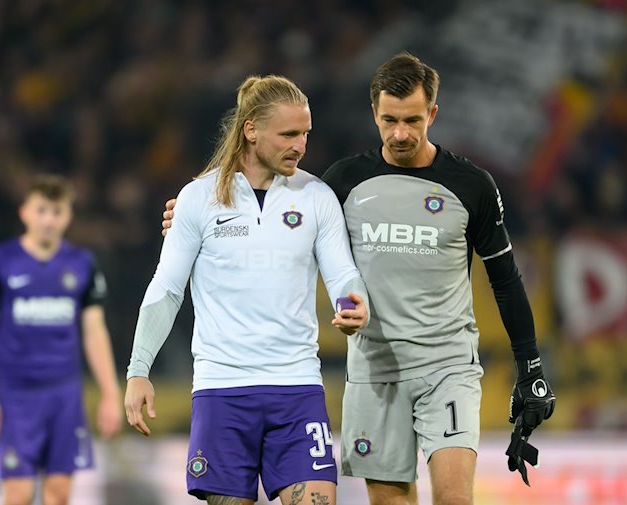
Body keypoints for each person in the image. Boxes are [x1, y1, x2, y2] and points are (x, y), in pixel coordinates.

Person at [163, 53, 556, 505]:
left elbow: (505, 280)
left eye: (413, 120)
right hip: (373, 369)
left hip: (447, 366)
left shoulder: (472, 186)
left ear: (433, 114)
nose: (401, 133)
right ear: (375, 112)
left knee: (454, 499)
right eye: (389, 120)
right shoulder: (343, 184)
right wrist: (190, 214)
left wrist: (530, 367)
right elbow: (270, 214)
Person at [124, 74, 369, 505]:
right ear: (251, 130)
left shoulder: (316, 196)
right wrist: (138, 370)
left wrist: (353, 306)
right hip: (222, 391)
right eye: (289, 134)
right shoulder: (198, 200)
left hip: (297, 389)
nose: (300, 145)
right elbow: (166, 289)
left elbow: (343, 275)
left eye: (306, 134)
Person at [0, 174, 123, 505]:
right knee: (19, 494)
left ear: (68, 216)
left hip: (64, 395)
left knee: (59, 495)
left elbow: (95, 332)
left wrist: (111, 393)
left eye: (56, 212)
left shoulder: (83, 264)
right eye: (41, 210)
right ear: (24, 212)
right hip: (15, 396)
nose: (48, 220)